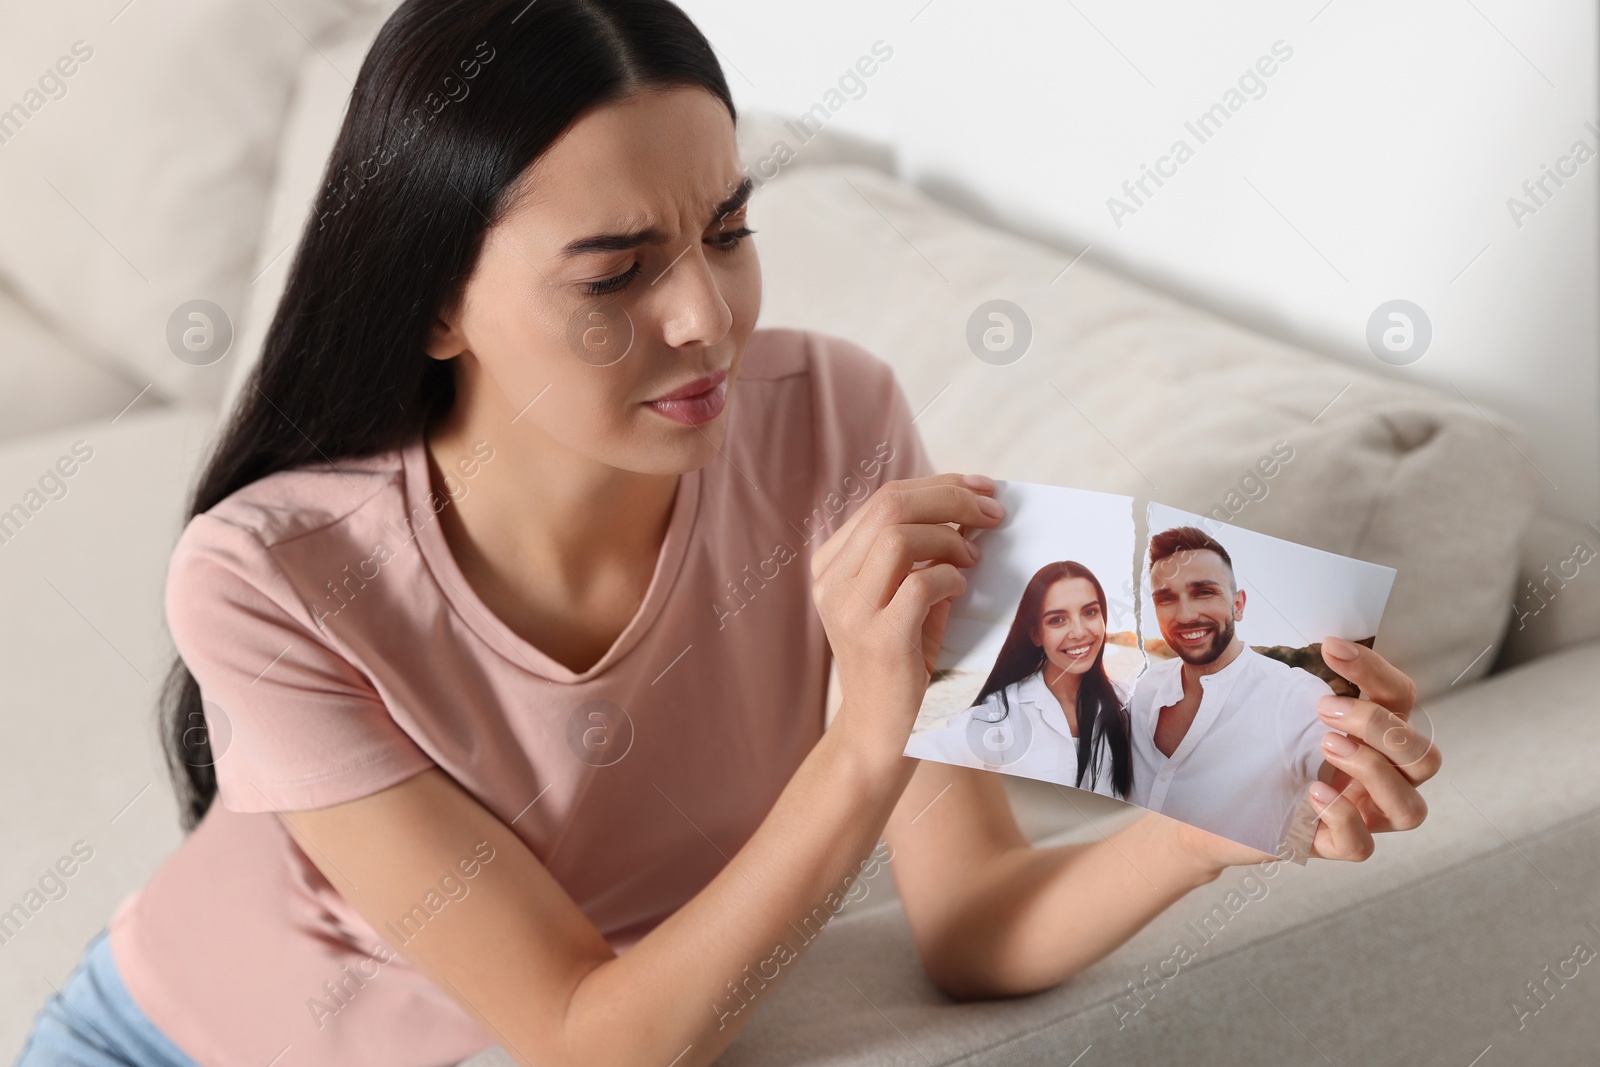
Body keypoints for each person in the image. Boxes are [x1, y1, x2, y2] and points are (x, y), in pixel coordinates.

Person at [13, 3, 1442, 1064]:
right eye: (619, 271)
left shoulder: (830, 419)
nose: (707, 317)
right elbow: (593, 1035)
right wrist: (863, 738)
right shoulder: (273, 575)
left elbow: (975, 918)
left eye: (730, 231)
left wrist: (1229, 810)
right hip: (167, 1038)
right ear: (434, 303)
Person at [1129, 525, 1344, 857]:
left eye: (1204, 592)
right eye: (1166, 599)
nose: (1185, 615)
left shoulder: (1296, 696)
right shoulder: (1146, 687)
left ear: (1238, 605)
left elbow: (1345, 783)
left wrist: (1371, 780)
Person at [904, 561, 1134, 799]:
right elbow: (924, 757)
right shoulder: (1003, 715)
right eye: (1057, 620)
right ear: (1036, 634)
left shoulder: (1125, 703)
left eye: (1090, 612)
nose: (1079, 632)